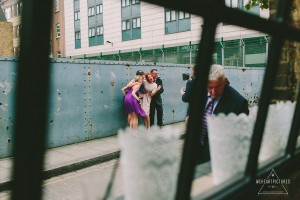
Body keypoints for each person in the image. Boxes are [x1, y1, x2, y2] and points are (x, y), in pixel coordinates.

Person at [186, 64, 249, 164]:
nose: (213, 92)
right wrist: (189, 116)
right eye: (210, 87)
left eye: (218, 87)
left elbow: (241, 140)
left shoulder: (239, 103)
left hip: (218, 159)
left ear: (224, 81)